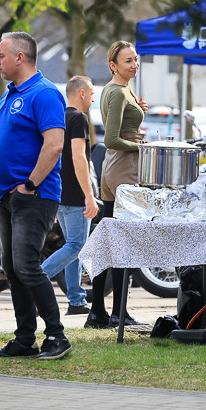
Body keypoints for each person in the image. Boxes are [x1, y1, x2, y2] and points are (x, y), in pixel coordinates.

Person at [0, 31, 70, 360]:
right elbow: (1, 144)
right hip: (7, 195)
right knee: (13, 268)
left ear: (20, 57)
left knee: (27, 265)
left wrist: (31, 183)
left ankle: (57, 336)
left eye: (1, 55)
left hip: (35, 195)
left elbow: (55, 144)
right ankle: (24, 338)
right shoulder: (10, 94)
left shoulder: (44, 94)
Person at [87, 41, 146, 330]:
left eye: (135, 59)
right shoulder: (118, 91)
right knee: (121, 244)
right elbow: (111, 139)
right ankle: (115, 312)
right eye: (127, 61)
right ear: (113, 65)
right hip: (122, 169)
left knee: (110, 241)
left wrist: (137, 115)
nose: (134, 65)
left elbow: (120, 128)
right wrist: (142, 147)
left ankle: (101, 311)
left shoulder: (119, 90)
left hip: (115, 168)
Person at [40, 75, 97, 314]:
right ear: (82, 93)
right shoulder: (79, 118)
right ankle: (34, 282)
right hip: (75, 192)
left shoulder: (58, 117)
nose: (93, 99)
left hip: (57, 191)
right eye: (92, 94)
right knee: (76, 244)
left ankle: (76, 299)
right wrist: (89, 194)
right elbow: (78, 157)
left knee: (73, 245)